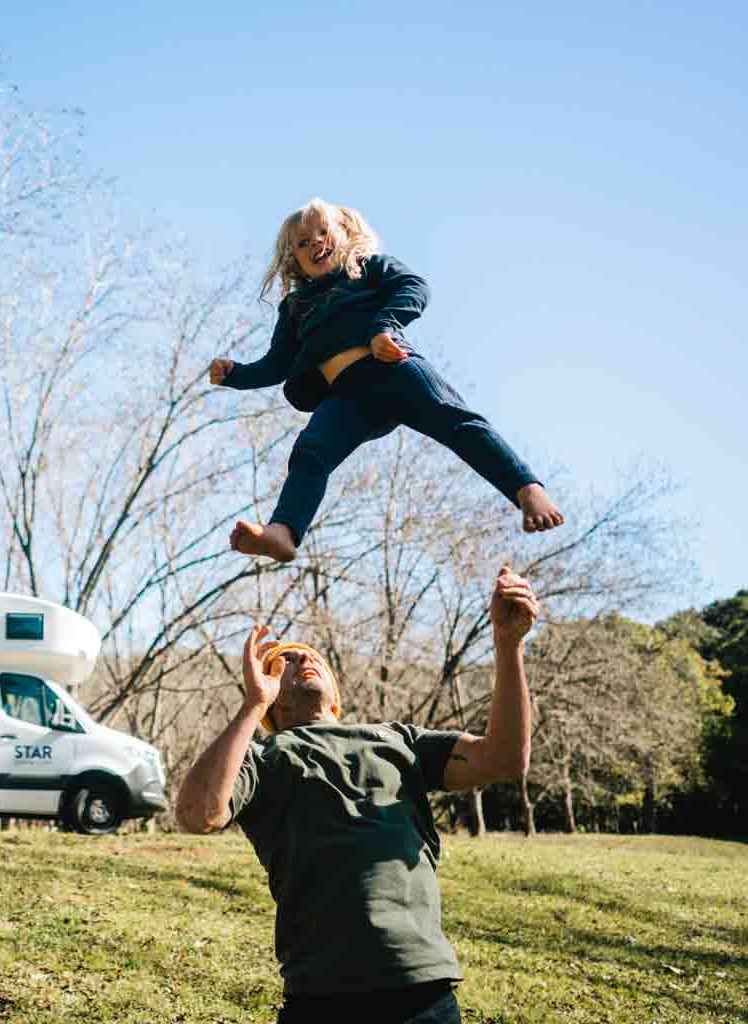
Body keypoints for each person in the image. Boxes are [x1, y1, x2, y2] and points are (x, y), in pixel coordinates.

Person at [174, 565, 539, 1024]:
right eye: (282, 662)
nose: (301, 660)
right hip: (322, 994)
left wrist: (508, 645)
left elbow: (505, 758)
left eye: (312, 658)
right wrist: (252, 706)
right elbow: (196, 815)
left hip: (420, 985)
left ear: (334, 693)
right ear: (272, 699)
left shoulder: (397, 739)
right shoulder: (263, 757)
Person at [209, 198, 563, 564]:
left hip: (394, 370)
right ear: (293, 260)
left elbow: (414, 287)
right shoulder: (295, 307)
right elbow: (276, 364)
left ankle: (526, 488)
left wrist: (384, 327)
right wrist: (235, 375)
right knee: (310, 452)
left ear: (346, 234)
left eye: (323, 232)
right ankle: (283, 531)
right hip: (347, 398)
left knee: (456, 421)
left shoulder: (365, 268)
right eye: (302, 243)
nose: (315, 242)